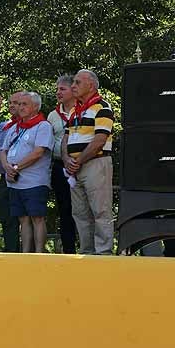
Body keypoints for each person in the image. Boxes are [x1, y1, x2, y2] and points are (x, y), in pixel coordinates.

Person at [62, 69, 115, 255]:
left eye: (77, 82)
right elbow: (65, 138)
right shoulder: (74, 111)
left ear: (91, 85)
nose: (73, 86)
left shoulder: (102, 108)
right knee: (80, 213)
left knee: (100, 210)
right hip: (75, 167)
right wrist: (67, 159)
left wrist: (78, 160)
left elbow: (100, 140)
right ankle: (87, 252)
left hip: (96, 163)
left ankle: (104, 252)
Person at [1, 92, 53, 252]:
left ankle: (38, 253)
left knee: (37, 217)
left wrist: (16, 167)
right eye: (19, 104)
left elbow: (38, 152)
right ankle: (25, 254)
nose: (20, 107)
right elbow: (3, 149)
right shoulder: (15, 127)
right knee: (22, 218)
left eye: (25, 104)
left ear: (36, 107)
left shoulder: (43, 126)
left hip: (34, 181)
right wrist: (6, 167)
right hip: (14, 182)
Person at [0, 92, 24, 252]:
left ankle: (32, 253)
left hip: (25, 175)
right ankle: (11, 251)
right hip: (5, 177)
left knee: (28, 218)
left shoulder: (36, 124)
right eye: (10, 103)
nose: (12, 106)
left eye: (16, 102)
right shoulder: (4, 126)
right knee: (7, 218)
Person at [47, 75, 78, 253]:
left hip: (82, 165)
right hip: (60, 166)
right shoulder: (52, 115)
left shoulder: (83, 110)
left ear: (73, 91)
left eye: (62, 89)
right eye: (57, 89)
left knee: (83, 210)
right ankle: (69, 251)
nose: (58, 92)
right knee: (64, 209)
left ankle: (91, 251)